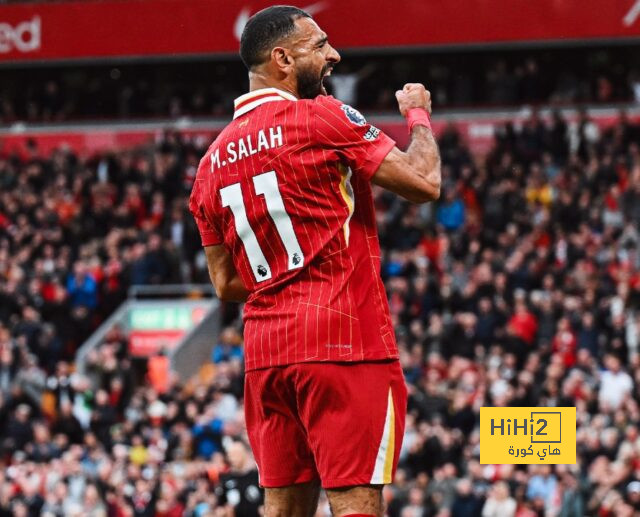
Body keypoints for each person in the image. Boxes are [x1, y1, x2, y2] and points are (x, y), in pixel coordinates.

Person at [189, 6, 441, 517]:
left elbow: (226, 282)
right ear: (282, 58)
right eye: (320, 44)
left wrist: (285, 270)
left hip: (266, 357)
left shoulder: (209, 163)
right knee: (356, 504)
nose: (334, 54)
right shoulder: (321, 117)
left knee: (282, 510)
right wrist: (418, 114)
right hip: (343, 344)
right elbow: (424, 182)